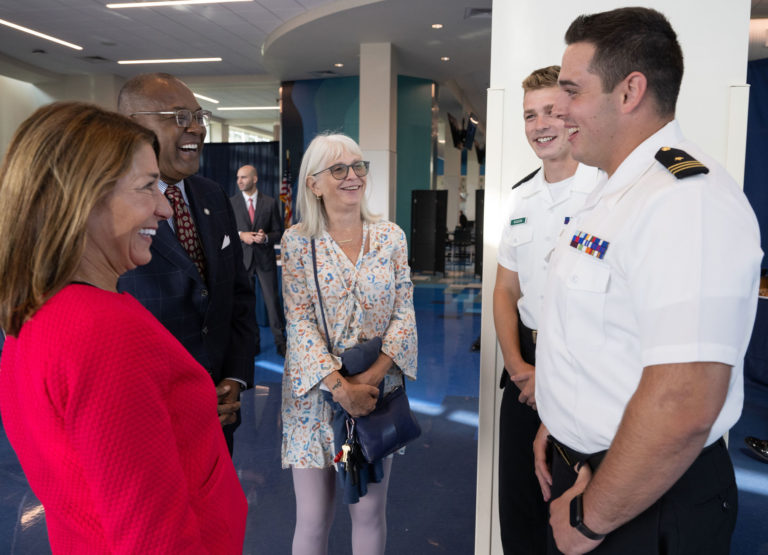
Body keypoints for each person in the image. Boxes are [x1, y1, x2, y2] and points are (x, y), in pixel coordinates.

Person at [532, 7, 762, 555]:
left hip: (643, 501)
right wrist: (563, 417)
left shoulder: (686, 201)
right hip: (595, 474)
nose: (558, 110)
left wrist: (590, 519)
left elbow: (684, 402)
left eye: (571, 90)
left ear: (629, 90)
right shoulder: (613, 192)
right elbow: (601, 335)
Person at [0, 102, 247, 553]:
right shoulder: (104, 331)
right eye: (147, 187)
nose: (164, 209)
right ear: (82, 197)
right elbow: (153, 539)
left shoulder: (35, 314)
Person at [281, 133, 417, 555]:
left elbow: (404, 314)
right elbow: (299, 322)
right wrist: (342, 389)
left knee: (369, 512)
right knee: (313, 517)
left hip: (377, 394)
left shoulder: (390, 236)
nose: (352, 176)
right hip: (314, 397)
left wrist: (368, 384)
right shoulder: (298, 243)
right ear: (314, 184)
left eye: (358, 166)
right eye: (338, 169)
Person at [116, 73, 258, 454]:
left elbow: (237, 296)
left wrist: (235, 376)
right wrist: (184, 399)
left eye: (198, 116)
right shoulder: (103, 209)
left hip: (219, 416)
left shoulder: (211, 194)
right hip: (145, 425)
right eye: (178, 116)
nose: (196, 127)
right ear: (132, 126)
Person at [494, 65, 600, 554]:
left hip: (583, 373)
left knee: (572, 512)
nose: (540, 125)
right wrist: (518, 369)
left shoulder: (605, 191)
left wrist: (551, 377)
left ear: (574, 114)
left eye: (552, 112)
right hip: (525, 373)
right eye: (530, 115)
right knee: (518, 508)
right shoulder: (520, 197)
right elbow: (504, 291)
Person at [231, 164, 287, 356]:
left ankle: (281, 342)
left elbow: (279, 233)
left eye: (243, 177)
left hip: (264, 260)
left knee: (272, 303)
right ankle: (251, 343)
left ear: (254, 179)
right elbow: (226, 231)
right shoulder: (232, 203)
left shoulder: (270, 203)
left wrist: (265, 238)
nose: (239, 181)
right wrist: (241, 235)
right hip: (243, 262)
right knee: (246, 305)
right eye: (238, 177)